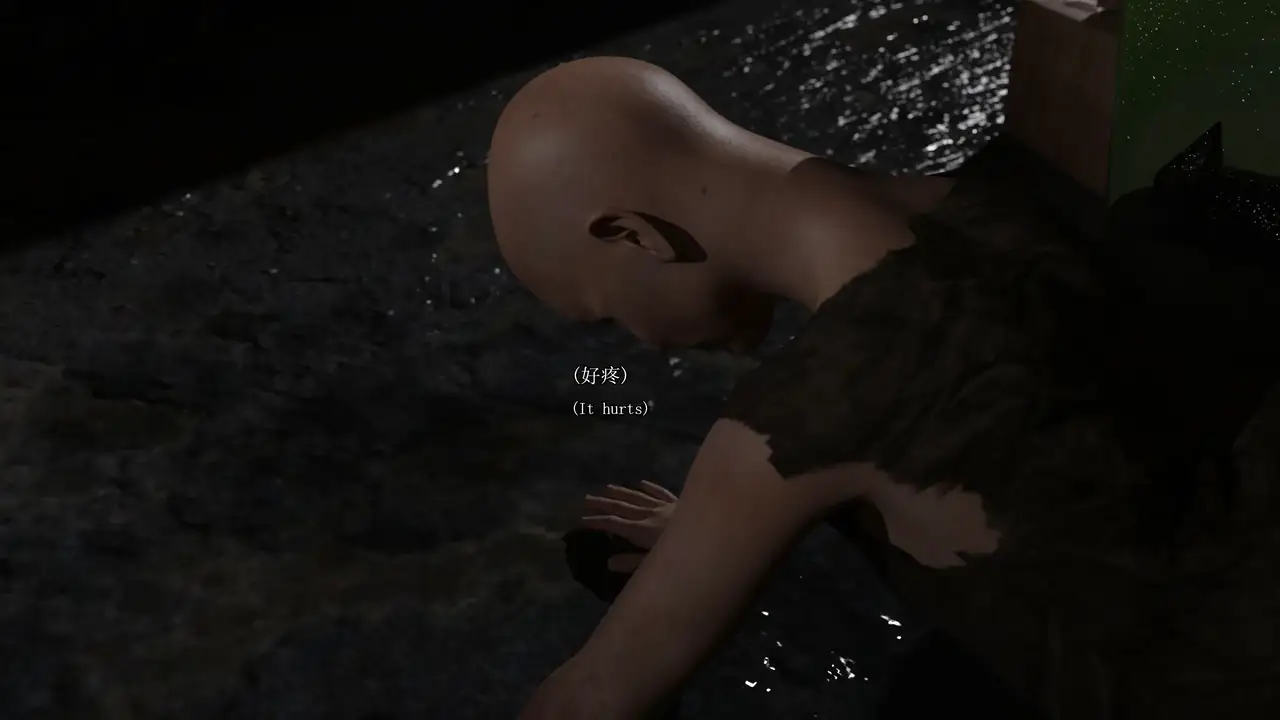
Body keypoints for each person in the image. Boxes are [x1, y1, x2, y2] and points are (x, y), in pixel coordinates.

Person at [486, 56, 1280, 719]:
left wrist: (725, 524)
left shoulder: (795, 426)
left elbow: (591, 699)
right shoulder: (1026, 178)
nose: (642, 340)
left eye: (606, 313)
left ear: (634, 235)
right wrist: (710, 533)